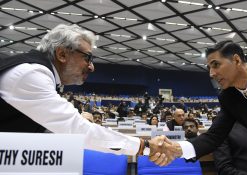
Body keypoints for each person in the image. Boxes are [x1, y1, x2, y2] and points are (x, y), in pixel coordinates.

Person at [0, 24, 167, 158]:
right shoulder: (31, 74)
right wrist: (143, 146)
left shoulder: (38, 73)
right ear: (62, 54)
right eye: (87, 57)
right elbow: (77, 130)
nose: (92, 67)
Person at [149, 40, 247, 166]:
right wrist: (177, 148)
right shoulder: (228, 97)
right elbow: (214, 136)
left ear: (236, 60)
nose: (211, 74)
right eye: (209, 68)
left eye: (216, 65)